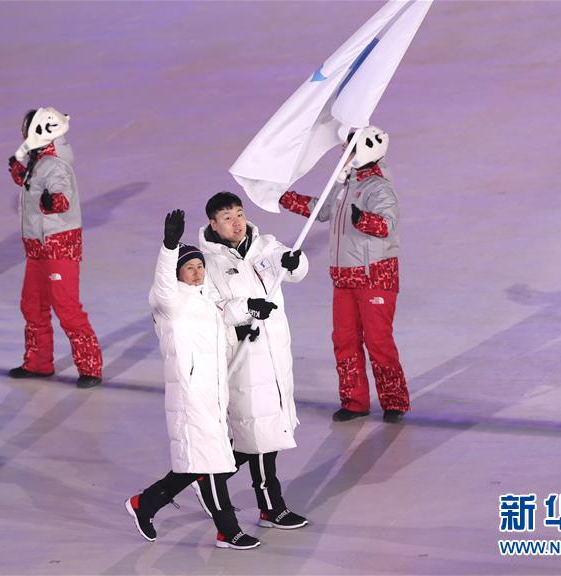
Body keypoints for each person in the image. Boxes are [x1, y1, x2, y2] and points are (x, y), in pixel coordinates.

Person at [125, 209, 270, 550]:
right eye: (189, 268)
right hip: (190, 395)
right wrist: (169, 247)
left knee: (201, 462)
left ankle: (144, 504)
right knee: (212, 463)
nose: (196, 273)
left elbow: (226, 312)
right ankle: (227, 530)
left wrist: (252, 308)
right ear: (177, 273)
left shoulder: (207, 300)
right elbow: (162, 283)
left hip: (214, 393)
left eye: (200, 266)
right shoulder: (170, 302)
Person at [279, 126, 409, 423]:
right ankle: (354, 401)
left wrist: (363, 219)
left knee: (378, 341)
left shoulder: (379, 187)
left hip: (375, 276)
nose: (343, 153)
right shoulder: (344, 184)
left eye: (349, 149)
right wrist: (285, 199)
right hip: (344, 278)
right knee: (344, 339)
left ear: (364, 150)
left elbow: (387, 225)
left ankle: (394, 401)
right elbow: (321, 210)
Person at [198, 192, 310, 530]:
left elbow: (292, 269)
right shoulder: (209, 262)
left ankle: (209, 479)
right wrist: (248, 308)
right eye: (227, 217)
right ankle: (269, 506)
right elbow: (213, 308)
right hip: (244, 357)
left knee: (267, 432)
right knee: (257, 434)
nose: (237, 222)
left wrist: (295, 261)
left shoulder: (265, 245)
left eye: (239, 213)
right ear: (213, 224)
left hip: (275, 356)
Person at [6, 107, 103, 388]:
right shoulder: (40, 160)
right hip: (37, 246)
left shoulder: (56, 164)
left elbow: (62, 195)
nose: (23, 134)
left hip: (58, 246)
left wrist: (54, 201)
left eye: (26, 129)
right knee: (32, 304)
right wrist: (18, 167)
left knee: (66, 307)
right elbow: (31, 184)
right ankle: (38, 362)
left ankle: (90, 366)